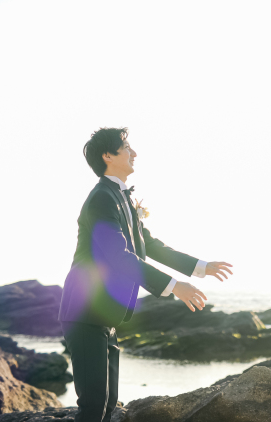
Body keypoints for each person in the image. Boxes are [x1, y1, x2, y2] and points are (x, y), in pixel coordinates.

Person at [59, 127, 234, 422]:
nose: (134, 153)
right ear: (108, 155)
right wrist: (174, 286)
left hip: (106, 316)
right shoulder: (101, 199)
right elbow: (118, 256)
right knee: (93, 406)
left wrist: (201, 267)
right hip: (85, 312)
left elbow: (149, 245)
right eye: (127, 147)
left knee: (108, 404)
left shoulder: (121, 197)